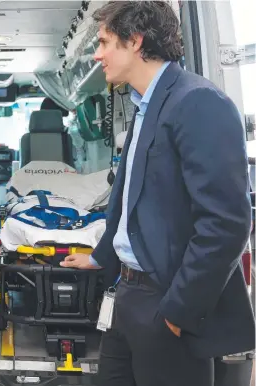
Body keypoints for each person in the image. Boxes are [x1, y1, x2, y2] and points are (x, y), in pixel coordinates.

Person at [59, 2, 255, 386]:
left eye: (103, 42)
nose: (97, 54)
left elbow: (226, 222)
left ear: (135, 41)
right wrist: (102, 258)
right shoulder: (146, 104)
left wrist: (179, 311)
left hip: (166, 301)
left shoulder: (198, 102)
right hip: (129, 295)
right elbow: (131, 198)